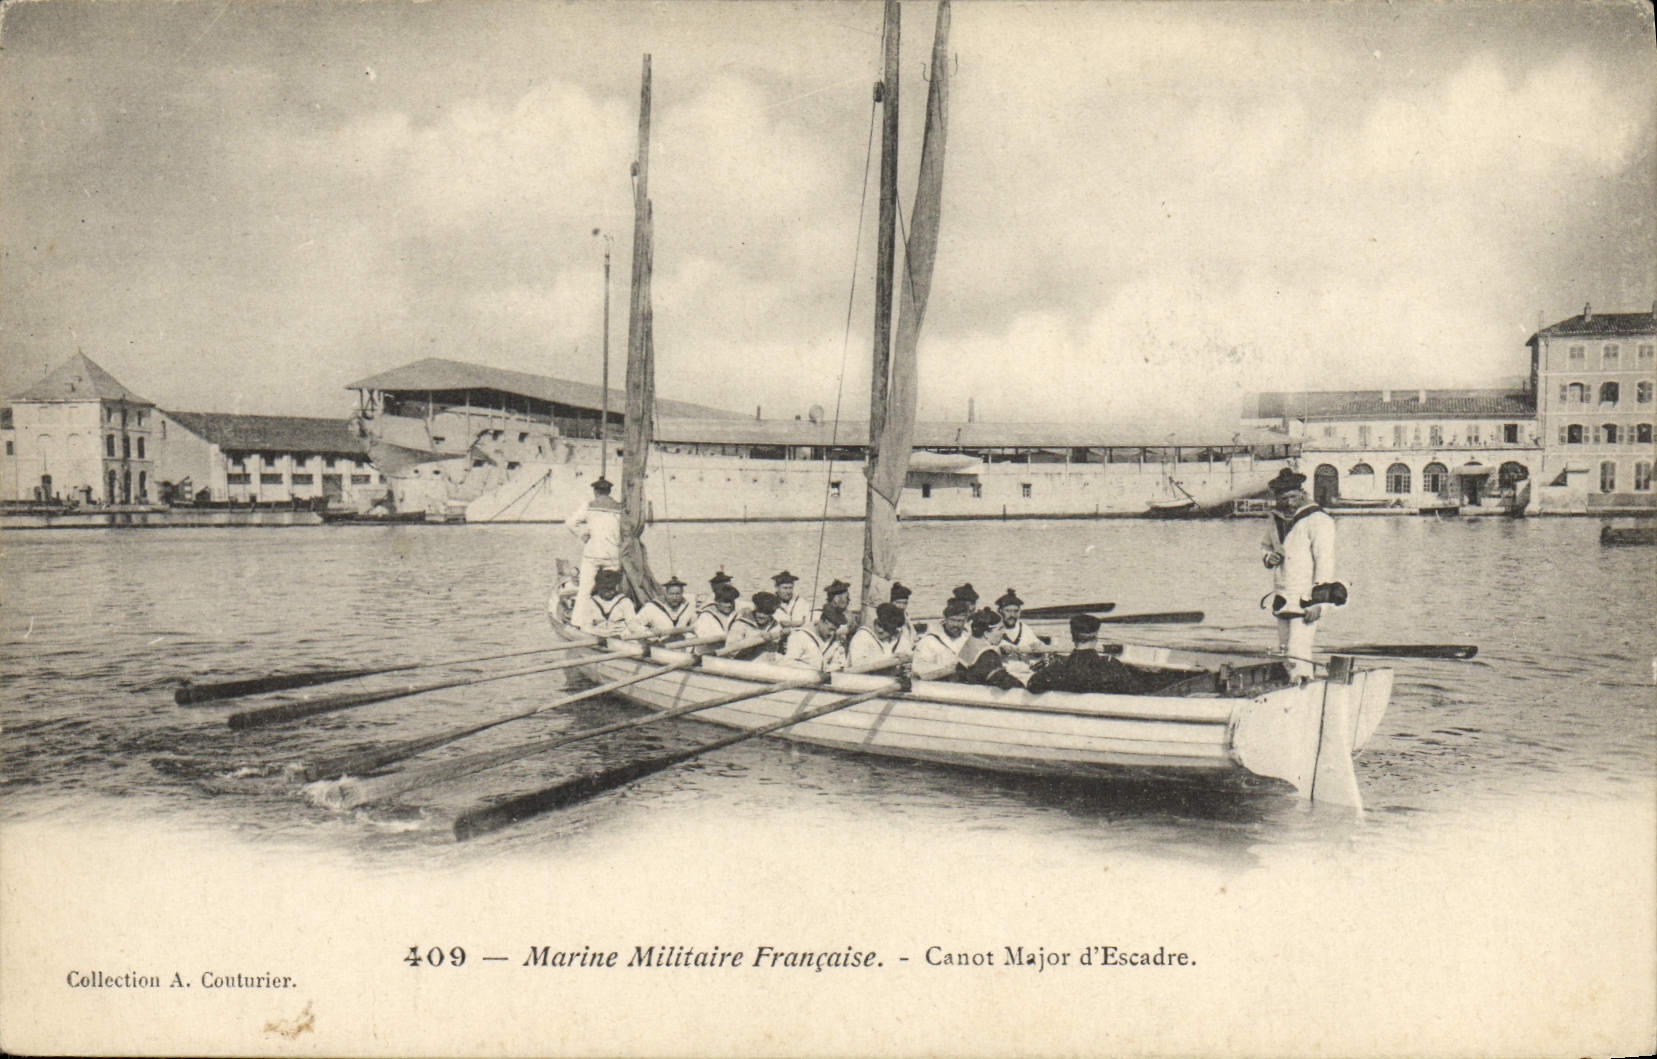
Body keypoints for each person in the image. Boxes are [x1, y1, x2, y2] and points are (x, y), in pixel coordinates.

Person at [1260, 467, 1345, 680]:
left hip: (1306, 598)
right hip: (1282, 596)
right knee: (1285, 651)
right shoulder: (1275, 519)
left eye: (1292, 497)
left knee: (1298, 652)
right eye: (1283, 499)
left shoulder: (1318, 520)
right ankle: (1293, 686)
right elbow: (1266, 545)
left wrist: (1319, 602)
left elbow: (1325, 561)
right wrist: (1269, 557)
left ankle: (1303, 686)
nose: (1289, 503)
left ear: (1302, 494)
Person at [1026, 613, 1145, 694]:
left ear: (1073, 638)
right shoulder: (1111, 666)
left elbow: (1032, 685)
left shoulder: (1058, 668)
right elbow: (1135, 690)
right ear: (1096, 638)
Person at [565, 477, 623, 607]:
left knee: (585, 590)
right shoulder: (619, 508)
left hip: (592, 554)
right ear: (609, 491)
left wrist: (582, 535)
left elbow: (570, 523)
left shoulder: (589, 506)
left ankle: (579, 617)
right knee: (612, 589)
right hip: (612, 554)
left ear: (595, 492)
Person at [956, 608, 1025, 689]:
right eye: (1000, 629)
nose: (1004, 632)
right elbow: (1005, 682)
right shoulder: (988, 655)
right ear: (986, 634)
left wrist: (1001, 652)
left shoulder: (971, 642)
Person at [912, 597, 972, 679]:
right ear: (945, 619)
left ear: (965, 620)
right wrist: (947, 669)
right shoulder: (930, 640)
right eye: (952, 620)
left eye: (960, 621)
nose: (955, 625)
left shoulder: (969, 639)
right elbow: (918, 668)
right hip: (937, 683)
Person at [571, 568, 636, 636]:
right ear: (599, 587)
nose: (609, 592)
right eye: (605, 589)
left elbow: (632, 624)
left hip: (620, 636)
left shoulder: (625, 602)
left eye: (612, 588)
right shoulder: (591, 602)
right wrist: (600, 632)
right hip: (598, 636)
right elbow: (585, 627)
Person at [782, 605, 848, 672]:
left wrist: (830, 668)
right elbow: (788, 663)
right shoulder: (799, 636)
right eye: (830, 629)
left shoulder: (835, 640)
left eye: (834, 630)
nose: (832, 633)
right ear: (821, 621)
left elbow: (840, 662)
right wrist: (814, 669)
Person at [725, 592, 786, 661]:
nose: (762, 616)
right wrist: (756, 638)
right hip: (742, 662)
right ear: (755, 608)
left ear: (772, 613)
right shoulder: (740, 624)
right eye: (759, 611)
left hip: (766, 662)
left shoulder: (775, 626)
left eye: (767, 612)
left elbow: (774, 650)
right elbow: (730, 652)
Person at [847, 603, 909, 669]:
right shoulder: (862, 637)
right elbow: (858, 665)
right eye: (879, 625)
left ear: (894, 629)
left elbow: (908, 655)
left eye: (886, 628)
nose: (880, 630)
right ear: (876, 620)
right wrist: (890, 658)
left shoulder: (898, 638)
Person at [995, 588, 1043, 659]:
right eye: (1008, 611)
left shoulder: (1024, 628)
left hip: (1023, 665)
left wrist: (1037, 648)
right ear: (1000, 611)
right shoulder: (995, 630)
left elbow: (1038, 647)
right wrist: (1000, 650)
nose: (1012, 615)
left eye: (1016, 611)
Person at [888, 582, 917, 655]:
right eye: (898, 602)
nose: (902, 606)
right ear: (891, 602)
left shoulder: (906, 616)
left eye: (905, 603)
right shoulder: (888, 618)